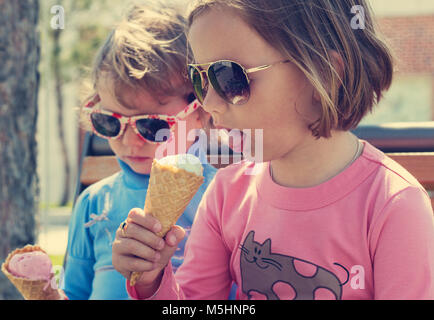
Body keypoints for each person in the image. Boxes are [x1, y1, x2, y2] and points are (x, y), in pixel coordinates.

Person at [112, 0, 434, 300]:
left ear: (325, 74)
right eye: (200, 79)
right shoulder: (225, 195)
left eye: (229, 77)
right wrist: (152, 278)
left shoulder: (393, 205)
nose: (208, 103)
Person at [62, 0, 219, 300]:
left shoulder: (221, 198)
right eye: (109, 122)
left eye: (152, 126)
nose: (131, 141)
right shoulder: (92, 205)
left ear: (201, 112)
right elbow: (74, 291)